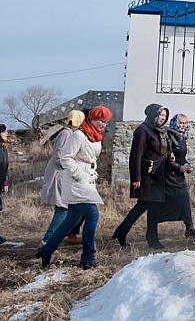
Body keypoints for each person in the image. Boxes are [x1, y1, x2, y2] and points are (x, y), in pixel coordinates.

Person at [36, 105, 113, 269]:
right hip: (76, 181)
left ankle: (47, 249)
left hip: (87, 180)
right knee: (92, 215)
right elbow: (65, 158)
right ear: (91, 118)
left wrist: (92, 173)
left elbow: (91, 158)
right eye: (101, 121)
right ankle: (87, 257)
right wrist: (80, 174)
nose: (103, 124)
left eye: (105, 122)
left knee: (71, 220)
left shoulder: (95, 136)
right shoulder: (77, 135)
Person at [113, 104, 171, 249]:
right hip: (147, 176)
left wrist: (170, 155)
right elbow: (136, 155)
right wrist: (136, 178)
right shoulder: (142, 130)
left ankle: (122, 231)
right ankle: (151, 238)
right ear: (153, 115)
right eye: (160, 115)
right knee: (149, 206)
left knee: (146, 206)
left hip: (158, 175)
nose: (162, 118)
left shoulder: (159, 131)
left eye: (164, 116)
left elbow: (161, 151)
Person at [40, 110, 86, 247]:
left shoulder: (70, 133)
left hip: (63, 174)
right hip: (59, 175)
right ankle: (47, 240)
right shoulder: (66, 133)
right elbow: (59, 155)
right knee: (63, 207)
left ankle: (56, 237)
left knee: (66, 207)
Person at [157, 112, 195, 240]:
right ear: (175, 123)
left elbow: (182, 157)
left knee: (184, 199)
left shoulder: (182, 137)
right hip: (170, 176)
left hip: (179, 175)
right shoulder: (168, 137)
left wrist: (187, 165)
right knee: (168, 202)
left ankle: (190, 228)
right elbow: (166, 157)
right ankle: (152, 226)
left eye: (184, 123)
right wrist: (179, 167)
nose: (183, 125)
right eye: (181, 123)